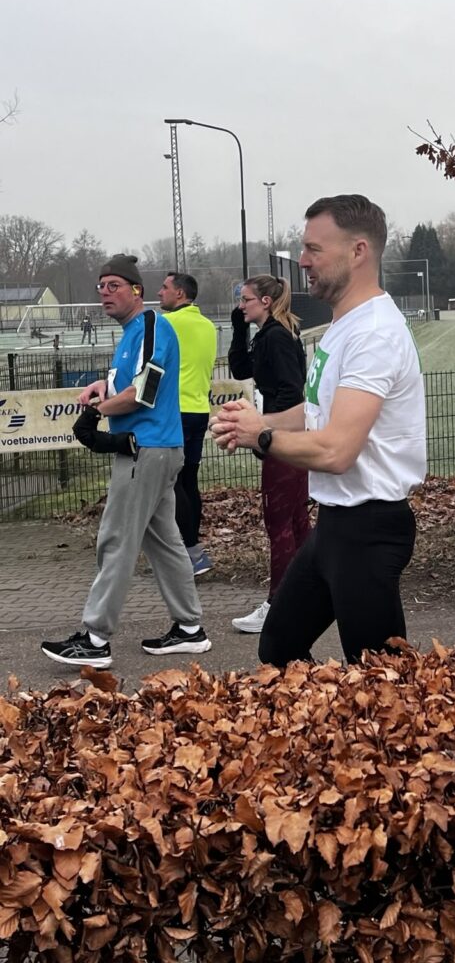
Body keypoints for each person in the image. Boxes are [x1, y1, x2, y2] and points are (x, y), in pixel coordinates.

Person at [210, 194, 427, 665]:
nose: (302, 261)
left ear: (358, 251)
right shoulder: (345, 323)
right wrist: (258, 421)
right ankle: (327, 712)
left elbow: (336, 451)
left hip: (369, 529)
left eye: (313, 249)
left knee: (382, 681)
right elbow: (315, 413)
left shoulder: (374, 333)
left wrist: (261, 437)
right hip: (335, 525)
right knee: (279, 647)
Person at [41, 254, 211, 668]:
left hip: (145, 449)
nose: (105, 293)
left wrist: (97, 413)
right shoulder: (135, 331)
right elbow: (132, 382)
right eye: (101, 286)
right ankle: (190, 629)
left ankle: (96, 638)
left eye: (114, 285)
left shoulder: (151, 325)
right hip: (155, 448)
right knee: (166, 544)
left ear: (137, 290)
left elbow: (144, 393)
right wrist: (103, 385)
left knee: (116, 539)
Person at [228, 274, 311, 633]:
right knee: (295, 520)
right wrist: (238, 327)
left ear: (265, 301)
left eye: (245, 300)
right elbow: (240, 369)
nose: (241, 305)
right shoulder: (268, 335)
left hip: (284, 438)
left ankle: (279, 604)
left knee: (280, 521)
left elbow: (292, 390)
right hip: (285, 436)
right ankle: (309, 593)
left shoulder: (277, 337)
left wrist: (268, 431)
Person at [157, 271, 218, 577]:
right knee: (189, 482)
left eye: (164, 288)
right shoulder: (208, 325)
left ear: (179, 293)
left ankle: (191, 553)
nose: (159, 293)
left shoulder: (167, 323)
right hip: (199, 411)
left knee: (174, 482)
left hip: (175, 412)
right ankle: (193, 551)